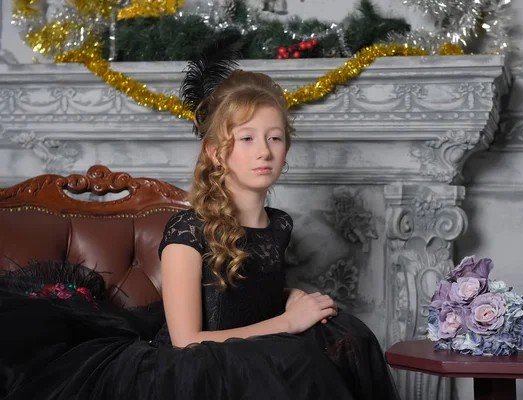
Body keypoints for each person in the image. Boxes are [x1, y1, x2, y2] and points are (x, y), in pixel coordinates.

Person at [0, 56, 400, 400]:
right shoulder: (188, 231)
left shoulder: (278, 224)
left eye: (274, 138)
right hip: (190, 370)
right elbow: (187, 341)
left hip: (254, 352)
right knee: (299, 361)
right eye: (246, 138)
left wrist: (289, 294)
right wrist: (288, 322)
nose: (264, 150)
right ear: (217, 153)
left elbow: (243, 292)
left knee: (347, 337)